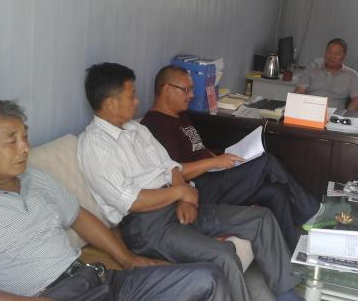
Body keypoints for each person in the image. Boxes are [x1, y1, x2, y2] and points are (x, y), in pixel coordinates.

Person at [77, 62, 302, 301]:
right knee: (223, 256)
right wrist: (180, 194)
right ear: (111, 103)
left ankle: (286, 294)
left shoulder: (136, 130)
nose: (137, 101)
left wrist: (185, 199)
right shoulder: (95, 145)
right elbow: (131, 201)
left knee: (260, 218)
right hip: (148, 227)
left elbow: (171, 167)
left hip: (177, 206)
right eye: (131, 96)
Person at [0, 98, 230, 301]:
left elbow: (78, 216)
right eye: (11, 140)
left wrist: (127, 258)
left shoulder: (35, 178)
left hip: (95, 277)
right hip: (54, 295)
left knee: (209, 277)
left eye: (25, 137)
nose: (24, 148)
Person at [141, 65, 320, 251]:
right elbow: (173, 172)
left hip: (214, 175)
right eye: (186, 90)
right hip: (200, 189)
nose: (192, 95)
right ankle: (311, 212)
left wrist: (220, 159)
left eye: (192, 89)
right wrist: (214, 162)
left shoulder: (180, 116)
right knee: (267, 163)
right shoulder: (155, 125)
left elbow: (196, 150)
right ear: (166, 89)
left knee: (275, 192)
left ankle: (294, 252)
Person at [294, 38, 358, 110]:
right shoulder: (312, 68)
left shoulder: (352, 75)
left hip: (335, 113)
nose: (332, 56)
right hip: (310, 110)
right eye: (329, 52)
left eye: (337, 54)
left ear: (344, 56)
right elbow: (299, 92)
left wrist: (346, 115)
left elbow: (357, 99)